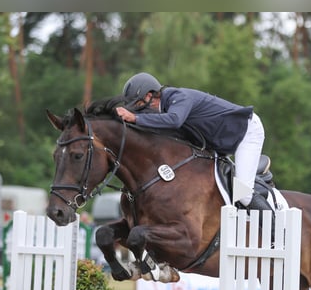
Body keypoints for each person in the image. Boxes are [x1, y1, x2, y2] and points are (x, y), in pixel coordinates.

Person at [114, 72, 271, 212]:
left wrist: (135, 118)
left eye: (139, 106)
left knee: (242, 193)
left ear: (149, 96)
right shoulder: (165, 110)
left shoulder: (180, 97)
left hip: (246, 132)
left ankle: (277, 230)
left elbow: (174, 121)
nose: (139, 112)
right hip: (220, 142)